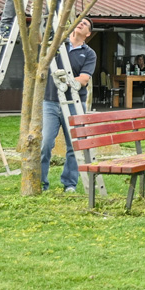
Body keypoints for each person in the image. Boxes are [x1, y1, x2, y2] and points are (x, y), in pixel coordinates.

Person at [41, 18, 97, 193]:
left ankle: (69, 184)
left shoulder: (89, 54)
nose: (80, 23)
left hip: (74, 103)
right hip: (50, 101)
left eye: (85, 24)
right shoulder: (58, 46)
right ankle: (41, 183)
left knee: (74, 145)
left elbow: (84, 79)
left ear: (88, 33)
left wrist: (68, 82)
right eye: (79, 21)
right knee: (45, 143)